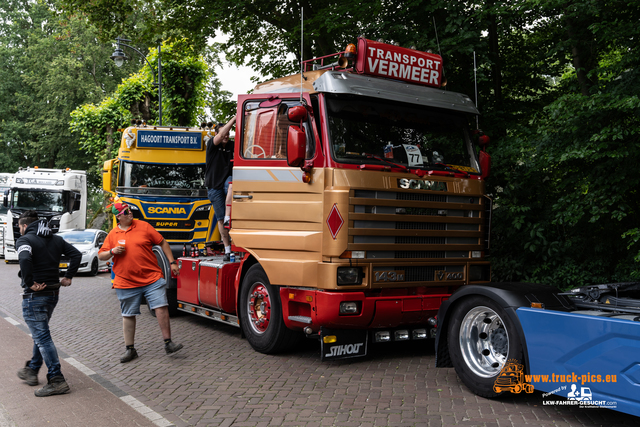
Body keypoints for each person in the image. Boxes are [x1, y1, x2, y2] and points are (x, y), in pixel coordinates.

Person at [98, 200, 183, 363]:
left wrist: (172, 262)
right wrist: (112, 251)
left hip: (151, 277)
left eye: (129, 210)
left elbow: (162, 241)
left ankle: (168, 343)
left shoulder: (143, 226)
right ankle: (130, 349)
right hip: (125, 281)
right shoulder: (113, 235)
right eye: (125, 212)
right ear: (118, 218)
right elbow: (101, 255)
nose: (130, 213)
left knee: (161, 307)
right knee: (128, 314)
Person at [16, 210, 81, 397]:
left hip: (35, 296)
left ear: (25, 225)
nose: (19, 230)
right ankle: (33, 369)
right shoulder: (56, 239)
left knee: (43, 338)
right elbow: (75, 255)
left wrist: (29, 282)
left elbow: (24, 259)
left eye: (20, 227)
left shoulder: (25, 240)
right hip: (53, 293)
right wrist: (68, 276)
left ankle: (57, 379)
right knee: (42, 333)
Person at [205, 115, 236, 261]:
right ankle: (227, 249)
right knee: (220, 219)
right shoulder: (212, 144)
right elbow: (222, 134)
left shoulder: (232, 146)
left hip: (227, 183)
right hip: (214, 187)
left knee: (231, 184)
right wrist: (235, 117)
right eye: (223, 133)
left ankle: (229, 217)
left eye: (228, 133)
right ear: (217, 134)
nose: (226, 135)